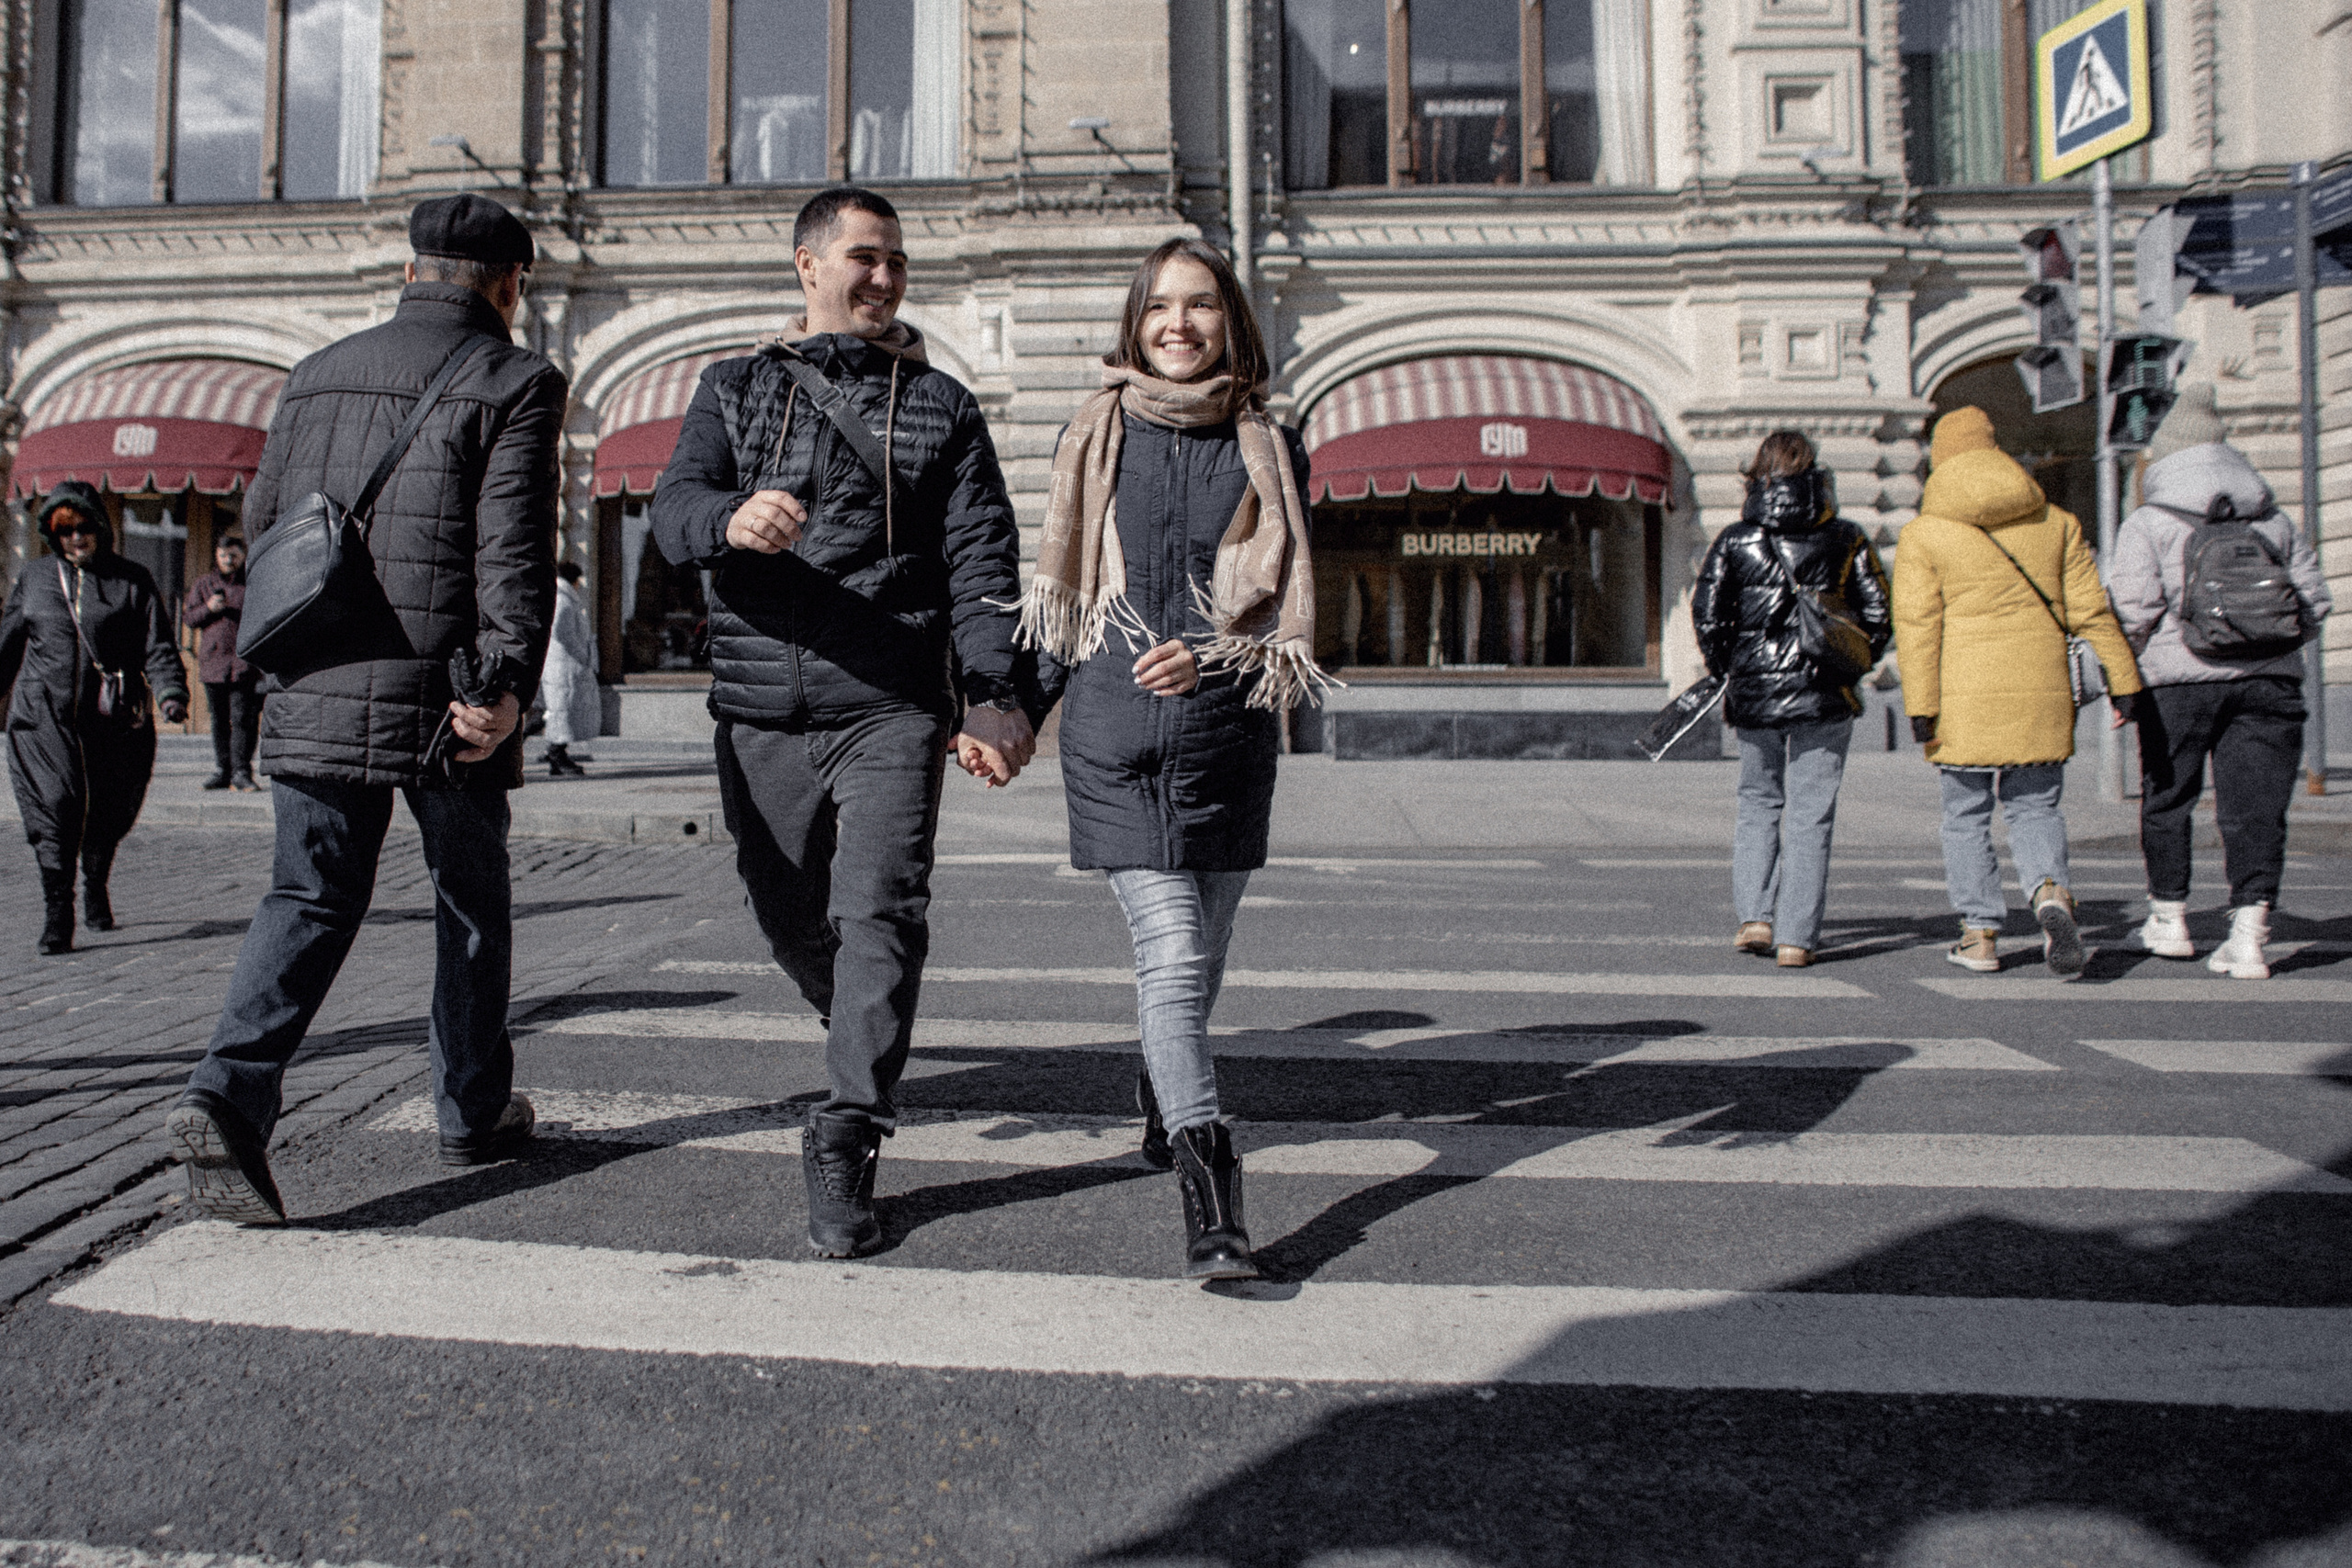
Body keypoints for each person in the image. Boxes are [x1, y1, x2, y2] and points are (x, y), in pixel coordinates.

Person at [168, 194, 565, 1225]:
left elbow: (267, 529)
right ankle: (473, 1107)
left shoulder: (310, 374)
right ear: (508, 285)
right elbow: (510, 550)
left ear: (409, 273)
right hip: (446, 696)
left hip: (314, 680)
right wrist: (507, 681)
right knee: (467, 902)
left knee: (304, 897)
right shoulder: (514, 377)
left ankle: (228, 1092)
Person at [649, 186, 1030, 1259]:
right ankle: (858, 1017)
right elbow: (673, 514)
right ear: (808, 267)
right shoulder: (731, 390)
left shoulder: (944, 405)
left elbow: (983, 562)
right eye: (864, 257)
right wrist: (729, 518)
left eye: (897, 262)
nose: (883, 277)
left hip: (891, 702)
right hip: (761, 705)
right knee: (787, 916)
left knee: (882, 914)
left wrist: (993, 691)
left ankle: (848, 1125)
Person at [1014, 238, 1326, 1281]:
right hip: (1113, 733)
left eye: (1198, 307)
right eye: (1159, 308)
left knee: (1206, 956)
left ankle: (1163, 1080)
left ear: (1230, 320)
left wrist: (1215, 660)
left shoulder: (1271, 447)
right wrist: (1002, 711)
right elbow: (1057, 601)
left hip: (1230, 735)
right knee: (1176, 955)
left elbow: (1283, 616)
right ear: (1133, 324)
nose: (1177, 326)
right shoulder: (1094, 432)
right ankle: (1211, 1193)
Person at [1893, 405, 2145, 978]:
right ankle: (2050, 892)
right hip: (2041, 690)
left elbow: (1917, 627)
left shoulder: (1924, 534)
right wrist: (2124, 683)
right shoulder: (2056, 522)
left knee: (1966, 816)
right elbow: (2091, 611)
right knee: (2035, 807)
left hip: (1964, 695)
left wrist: (1921, 707)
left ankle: (1980, 934)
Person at [2109, 384, 2332, 979]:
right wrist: (2267, 646)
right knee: (2256, 808)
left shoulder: (2149, 521)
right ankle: (2249, 934)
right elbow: (2313, 600)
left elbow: (2132, 610)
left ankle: (2169, 919)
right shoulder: (2274, 518)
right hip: (2270, 683)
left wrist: (2121, 682)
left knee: (2168, 798)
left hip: (2177, 684)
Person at [1690, 431, 1892, 969]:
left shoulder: (1735, 540)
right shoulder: (1847, 537)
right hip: (1824, 696)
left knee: (1758, 801)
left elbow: (1707, 615)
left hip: (1756, 694)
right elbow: (1878, 616)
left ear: (1756, 474)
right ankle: (1797, 938)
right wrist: (1851, 659)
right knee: (1811, 814)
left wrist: (1730, 668)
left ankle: (1755, 915)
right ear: (1816, 475)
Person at [0, 482, 189, 954]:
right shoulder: (35, 579)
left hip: (114, 715)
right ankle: (57, 913)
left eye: (84, 528)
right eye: (65, 530)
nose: (76, 539)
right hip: (43, 716)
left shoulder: (133, 579)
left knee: (109, 809)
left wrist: (169, 693)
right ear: (51, 534)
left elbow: (159, 645)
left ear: (101, 529)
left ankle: (95, 881)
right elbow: (6, 647)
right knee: (57, 808)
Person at [183, 533, 260, 791]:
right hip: (213, 663)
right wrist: (209, 608)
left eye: (234, 555)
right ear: (216, 555)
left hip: (243, 663)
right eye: (224, 554)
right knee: (218, 719)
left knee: (242, 719)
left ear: (243, 556)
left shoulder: (252, 584)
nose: (229, 559)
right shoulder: (204, 584)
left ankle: (241, 771)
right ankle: (222, 769)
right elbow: (189, 618)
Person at [540, 560, 598, 776]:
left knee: (558, 711)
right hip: (564, 665)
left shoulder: (560, 597)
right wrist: (582, 654)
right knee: (562, 710)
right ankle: (557, 754)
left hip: (562, 664)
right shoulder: (563, 600)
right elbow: (562, 632)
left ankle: (556, 755)